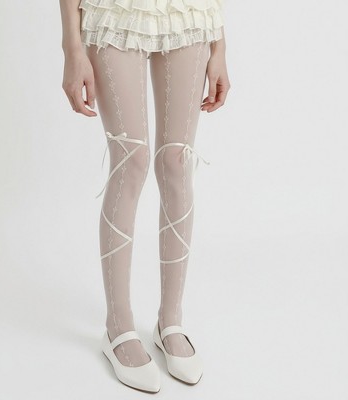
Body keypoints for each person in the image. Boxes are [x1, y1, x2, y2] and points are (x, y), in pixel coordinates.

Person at [59, 0, 230, 393]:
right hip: (115, 9)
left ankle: (170, 322)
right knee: (130, 159)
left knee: (177, 160)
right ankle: (118, 327)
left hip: (188, 10)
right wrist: (71, 47)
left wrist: (220, 45)